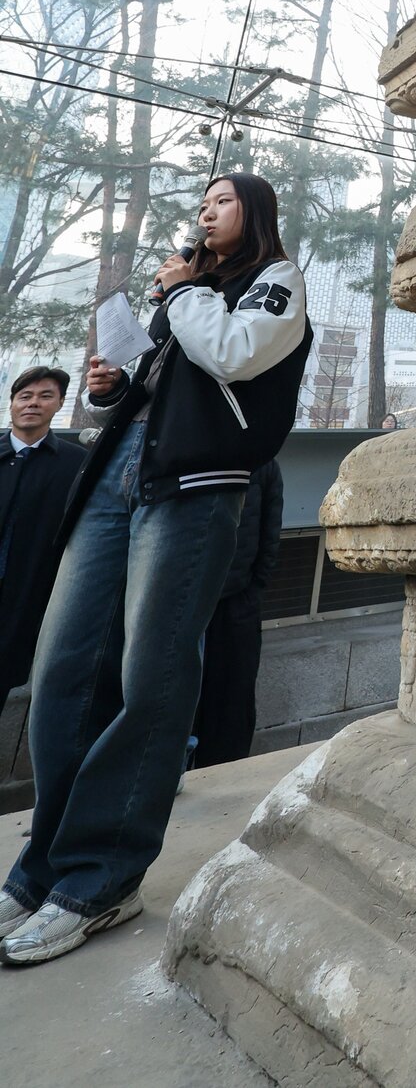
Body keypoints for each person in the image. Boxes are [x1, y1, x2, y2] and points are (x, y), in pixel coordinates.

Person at [0, 173, 312, 968]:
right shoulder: (192, 297)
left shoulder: (274, 283)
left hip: (196, 490)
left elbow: (237, 358)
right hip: (116, 476)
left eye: (222, 201)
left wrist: (180, 298)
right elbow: (168, 388)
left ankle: (102, 879)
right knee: (65, 669)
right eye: (200, 204)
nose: (205, 212)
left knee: (152, 675)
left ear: (257, 214)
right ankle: (43, 867)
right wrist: (115, 390)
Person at [0, 369, 85, 719]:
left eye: (45, 396)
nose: (33, 403)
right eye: (25, 396)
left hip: (24, 598)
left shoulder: (76, 464)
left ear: (60, 403)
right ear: (12, 404)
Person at [191, 456, 283, 768]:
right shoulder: (190, 448)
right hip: (186, 600)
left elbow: (270, 532)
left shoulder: (264, 462)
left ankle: (222, 773)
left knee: (232, 700)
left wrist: (252, 592)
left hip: (236, 604)